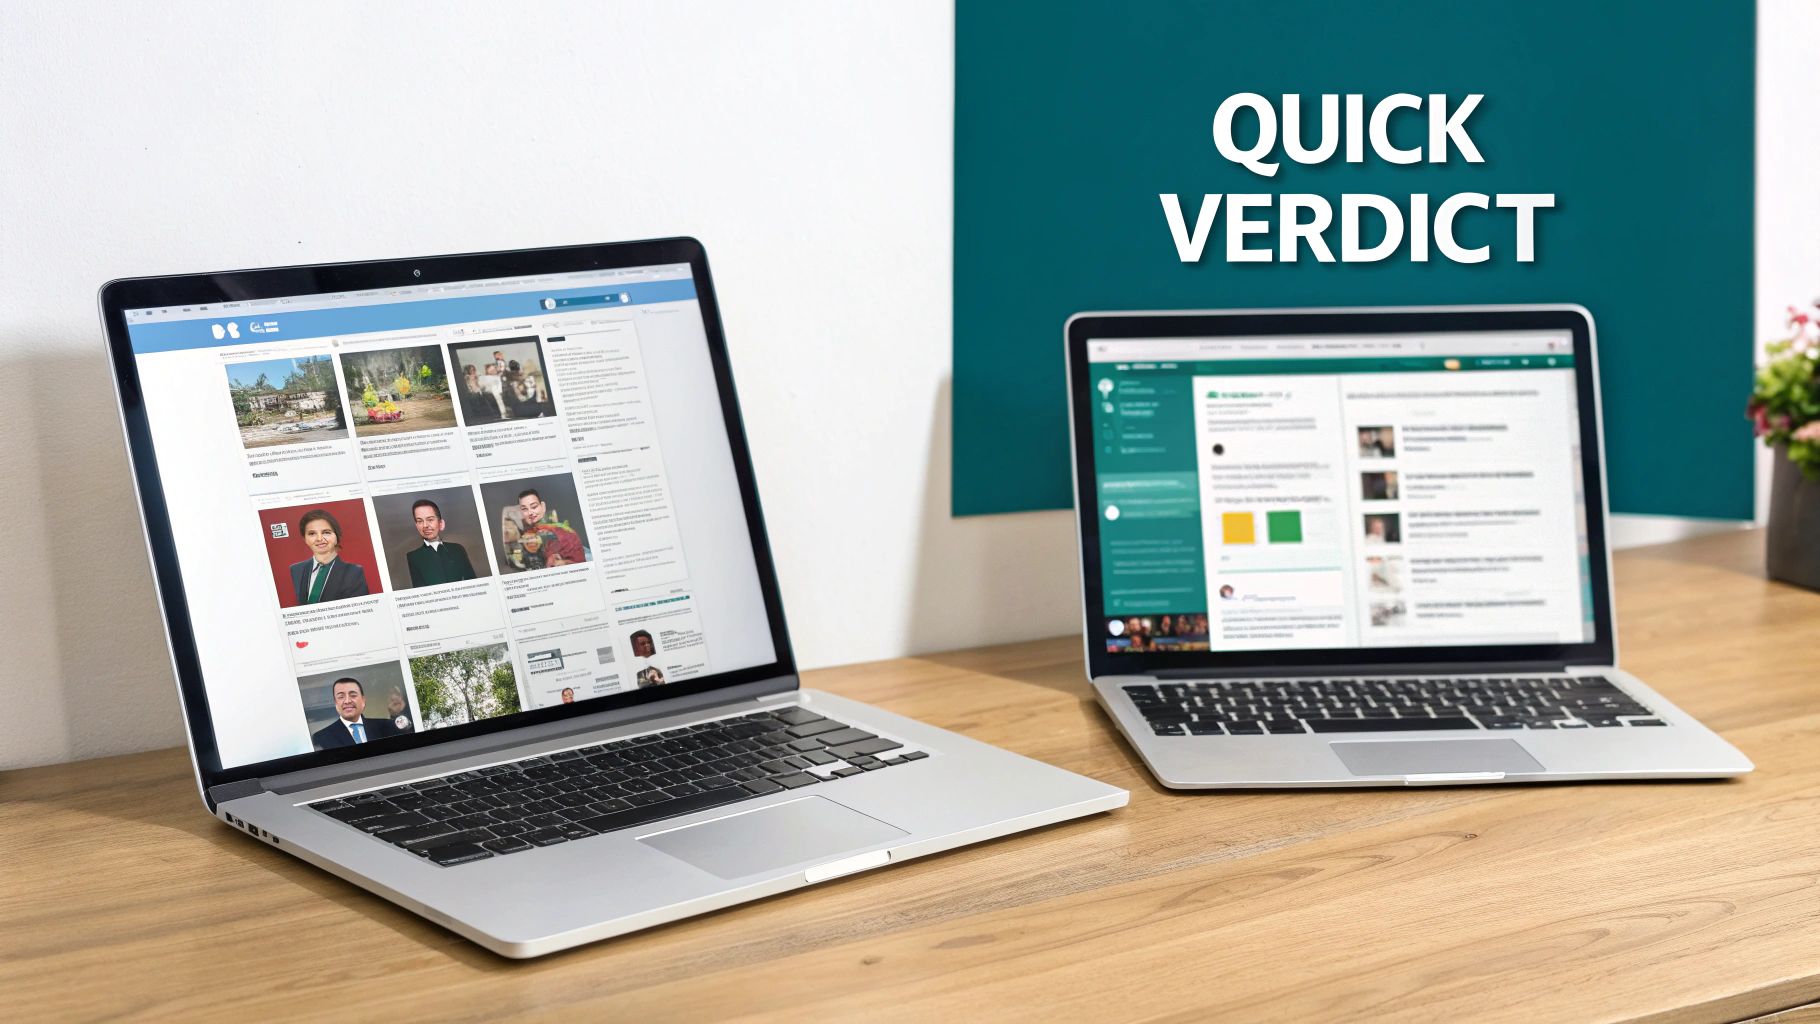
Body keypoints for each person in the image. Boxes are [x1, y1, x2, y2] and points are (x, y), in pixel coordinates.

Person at [287, 508, 370, 605]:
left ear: (336, 536)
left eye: (326, 532)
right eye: (312, 533)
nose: (319, 539)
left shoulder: (354, 572)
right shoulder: (296, 569)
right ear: (305, 539)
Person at [310, 678, 402, 749]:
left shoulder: (387, 726)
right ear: (336, 703)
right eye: (341, 697)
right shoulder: (321, 737)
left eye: (353, 695)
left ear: (363, 700)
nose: (347, 701)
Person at [405, 498, 477, 587]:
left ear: (441, 523)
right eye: (420, 521)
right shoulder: (413, 557)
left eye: (430, 519)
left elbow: (473, 582)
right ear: (417, 526)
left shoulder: (457, 549)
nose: (425, 525)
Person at [513, 488, 585, 568]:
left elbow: (550, 543)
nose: (530, 512)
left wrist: (554, 558)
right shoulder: (530, 529)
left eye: (534, 507)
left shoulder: (548, 531)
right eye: (524, 509)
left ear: (543, 506)